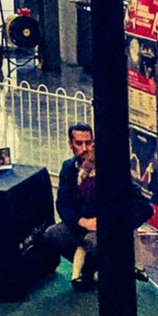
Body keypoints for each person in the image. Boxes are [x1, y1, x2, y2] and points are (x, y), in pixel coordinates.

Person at [44, 122, 97, 286]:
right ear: (71, 144)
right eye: (79, 143)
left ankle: (97, 268)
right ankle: (86, 269)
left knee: (92, 242)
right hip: (82, 221)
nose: (85, 148)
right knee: (52, 234)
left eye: (88, 143)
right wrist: (82, 222)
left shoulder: (105, 165)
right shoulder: (68, 168)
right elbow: (63, 205)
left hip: (102, 223)